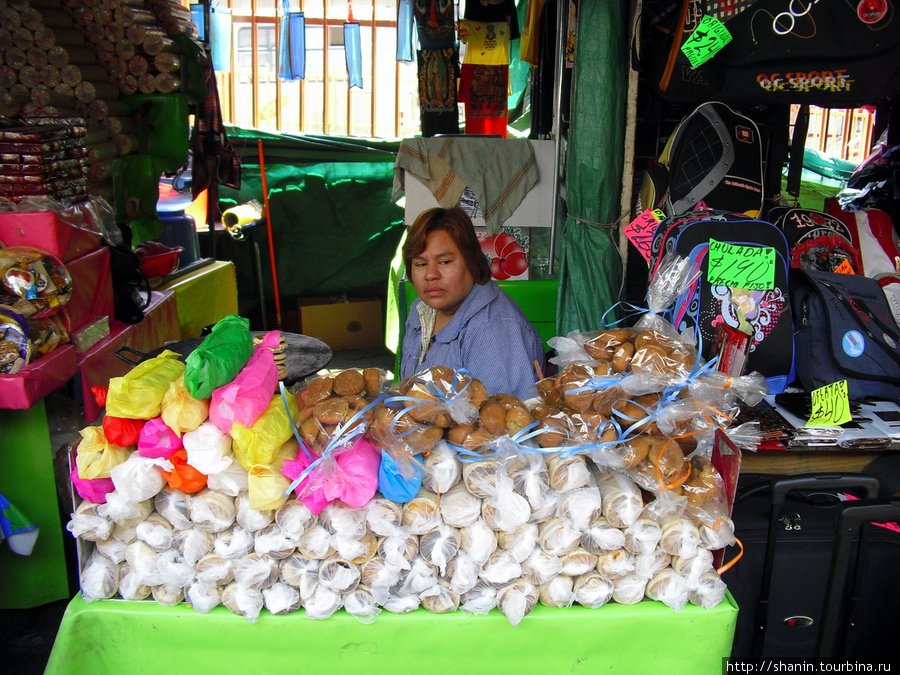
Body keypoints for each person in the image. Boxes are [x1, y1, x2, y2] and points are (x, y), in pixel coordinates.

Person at [399, 206, 545, 400]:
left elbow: (501, 425)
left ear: (471, 263)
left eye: (444, 262)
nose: (431, 274)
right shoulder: (421, 310)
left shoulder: (493, 330)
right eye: (420, 264)